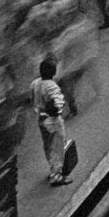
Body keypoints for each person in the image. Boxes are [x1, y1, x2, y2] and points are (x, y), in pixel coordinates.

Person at [30, 56, 70, 186]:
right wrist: (58, 108)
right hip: (52, 120)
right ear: (53, 72)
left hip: (41, 120)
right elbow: (59, 103)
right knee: (58, 147)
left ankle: (52, 169)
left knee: (47, 146)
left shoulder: (35, 83)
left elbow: (32, 99)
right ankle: (56, 176)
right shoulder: (51, 86)